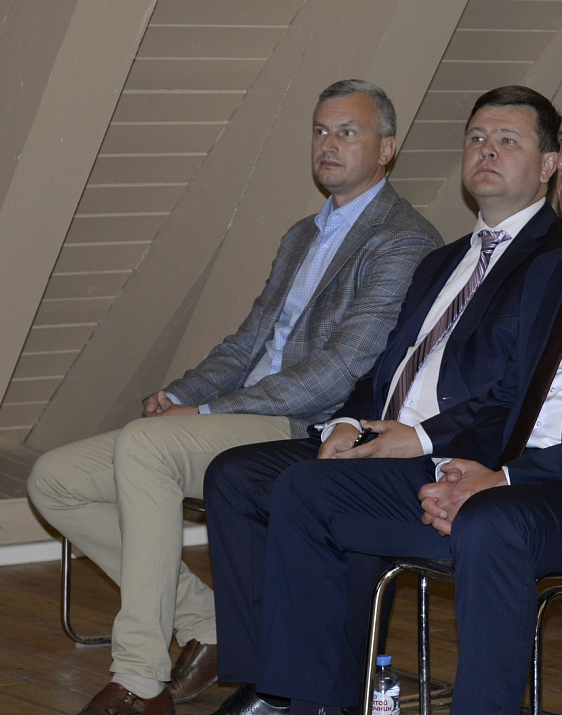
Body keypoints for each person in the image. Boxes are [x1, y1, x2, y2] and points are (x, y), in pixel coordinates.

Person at [209, 83, 562, 715]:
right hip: (518, 476)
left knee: (493, 522)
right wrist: (458, 463)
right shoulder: (553, 268)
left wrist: (505, 478)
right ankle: (313, 704)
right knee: (308, 489)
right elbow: (511, 394)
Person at [26, 79, 442, 715]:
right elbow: (248, 344)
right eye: (320, 130)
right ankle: (210, 620)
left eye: (347, 132)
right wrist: (179, 393)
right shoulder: (302, 234)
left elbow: (338, 371)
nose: (328, 144)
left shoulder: (403, 238)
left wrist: (207, 411)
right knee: (54, 480)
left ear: (386, 149)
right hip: (240, 413)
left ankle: (139, 678)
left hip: (303, 424)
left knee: (146, 449)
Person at [202, 85, 562, 708]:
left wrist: (419, 437)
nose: (486, 150)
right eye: (477, 138)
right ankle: (268, 682)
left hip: (457, 456)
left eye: (508, 140)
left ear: (548, 165)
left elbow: (523, 391)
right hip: (384, 435)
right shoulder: (444, 261)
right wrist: (349, 423)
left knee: (314, 491)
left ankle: (314, 698)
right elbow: (382, 366)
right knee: (236, 476)